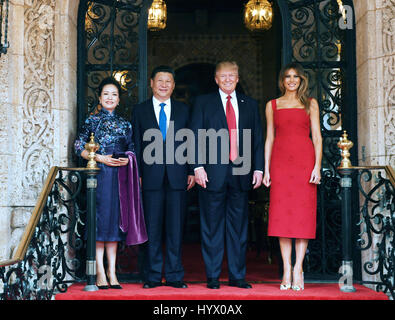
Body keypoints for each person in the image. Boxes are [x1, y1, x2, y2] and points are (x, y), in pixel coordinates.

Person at [189, 61, 264, 289]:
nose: (228, 79)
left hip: (242, 172)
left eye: (232, 76)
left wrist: (259, 168)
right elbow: (194, 135)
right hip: (211, 173)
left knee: (238, 227)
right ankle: (212, 276)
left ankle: (237, 275)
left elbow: (258, 139)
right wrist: (197, 166)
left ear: (238, 78)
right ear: (216, 79)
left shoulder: (249, 104)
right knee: (211, 226)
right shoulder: (203, 102)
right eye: (223, 76)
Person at [74, 77, 147, 290]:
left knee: (115, 223)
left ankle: (112, 271)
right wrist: (100, 158)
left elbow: (132, 147)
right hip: (98, 175)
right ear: (99, 97)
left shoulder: (126, 123)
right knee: (100, 222)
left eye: (114, 94)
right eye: (106, 94)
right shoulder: (91, 121)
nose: (110, 98)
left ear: (119, 99)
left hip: (120, 177)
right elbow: (78, 146)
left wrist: (128, 158)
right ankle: (99, 272)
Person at [132, 65, 195, 289]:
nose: (164, 85)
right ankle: (152, 276)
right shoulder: (140, 111)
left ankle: (175, 275)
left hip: (178, 176)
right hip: (150, 177)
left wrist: (191, 170)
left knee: (176, 229)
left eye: (168, 81)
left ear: (174, 85)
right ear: (151, 83)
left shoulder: (184, 110)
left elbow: (191, 142)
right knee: (153, 228)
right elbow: (137, 144)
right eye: (160, 80)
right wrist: (137, 173)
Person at [263, 62, 322, 291]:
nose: (291, 80)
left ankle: (299, 268)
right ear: (282, 80)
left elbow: (317, 137)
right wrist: (266, 169)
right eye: (287, 76)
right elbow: (269, 138)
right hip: (280, 165)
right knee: (282, 217)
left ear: (301, 80)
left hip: (304, 165)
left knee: (302, 216)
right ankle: (286, 268)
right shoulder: (272, 105)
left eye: (295, 77)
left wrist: (317, 166)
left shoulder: (310, 104)